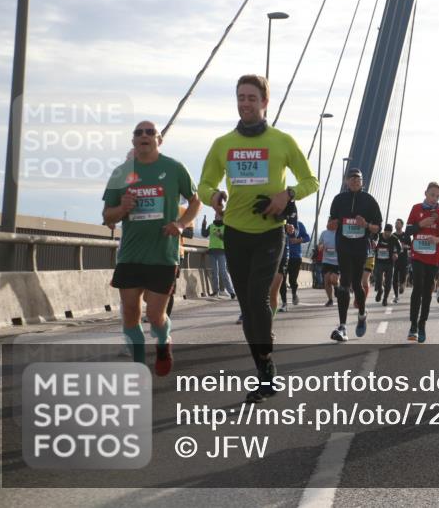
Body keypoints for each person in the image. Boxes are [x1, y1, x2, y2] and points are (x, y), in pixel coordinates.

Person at [198, 74, 319, 403]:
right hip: (235, 234)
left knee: (259, 298)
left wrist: (287, 195)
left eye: (252, 97)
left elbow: (311, 181)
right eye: (241, 97)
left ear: (265, 102)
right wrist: (213, 196)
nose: (245, 103)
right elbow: (204, 184)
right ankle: (263, 366)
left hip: (269, 232)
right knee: (247, 306)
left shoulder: (282, 141)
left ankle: (266, 369)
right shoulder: (223, 144)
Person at [102, 120, 200, 377]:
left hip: (163, 255)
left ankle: (163, 342)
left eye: (150, 132)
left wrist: (180, 224)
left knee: (155, 315)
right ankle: (137, 364)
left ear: (159, 139)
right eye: (138, 132)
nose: (144, 135)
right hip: (131, 255)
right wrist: (122, 209)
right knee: (130, 313)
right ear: (133, 141)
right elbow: (108, 217)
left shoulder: (174, 168)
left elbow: (195, 201)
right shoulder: (121, 173)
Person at [327, 167, 382, 342]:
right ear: (346, 181)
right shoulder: (339, 199)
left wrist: (365, 225)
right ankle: (342, 326)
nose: (354, 181)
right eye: (351, 178)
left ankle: (362, 314)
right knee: (344, 283)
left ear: (362, 182)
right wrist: (332, 224)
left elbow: (378, 228)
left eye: (358, 178)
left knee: (357, 284)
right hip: (343, 245)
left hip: (360, 246)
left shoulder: (369, 201)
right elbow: (330, 222)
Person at [405, 182, 439, 343]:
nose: (434, 198)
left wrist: (438, 239)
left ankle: (422, 324)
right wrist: (420, 225)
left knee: (427, 291)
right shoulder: (416, 209)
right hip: (418, 256)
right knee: (417, 287)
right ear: (425, 193)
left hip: (433, 258)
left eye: (437, 196)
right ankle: (412, 326)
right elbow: (408, 233)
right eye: (432, 195)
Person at [201, 214, 235, 299]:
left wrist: (219, 235)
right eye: (215, 215)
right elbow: (204, 234)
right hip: (212, 252)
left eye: (218, 215)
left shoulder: (226, 227)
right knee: (214, 272)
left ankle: (231, 292)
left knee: (223, 272)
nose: (215, 216)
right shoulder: (211, 226)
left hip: (222, 252)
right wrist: (203, 225)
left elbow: (228, 239)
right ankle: (216, 291)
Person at [282, 212, 310, 306]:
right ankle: (284, 302)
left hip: (295, 257)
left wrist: (298, 240)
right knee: (282, 279)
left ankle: (294, 294)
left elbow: (307, 237)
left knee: (292, 280)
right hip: (283, 256)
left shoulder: (300, 225)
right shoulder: (282, 225)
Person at [374, 223, 401, 304]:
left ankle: (385, 298)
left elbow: (399, 248)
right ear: (384, 231)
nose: (388, 234)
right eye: (386, 232)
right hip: (379, 262)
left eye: (389, 232)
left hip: (389, 263)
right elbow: (373, 243)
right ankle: (380, 290)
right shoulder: (379, 236)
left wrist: (396, 253)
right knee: (378, 280)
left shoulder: (394, 238)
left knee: (388, 281)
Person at [318, 219, 340, 306]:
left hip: (337, 261)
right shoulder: (324, 233)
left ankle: (337, 287)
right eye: (327, 222)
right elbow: (319, 244)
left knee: (333, 280)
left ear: (335, 224)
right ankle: (330, 299)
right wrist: (321, 246)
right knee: (326, 281)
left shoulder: (339, 234)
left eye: (330, 222)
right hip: (326, 260)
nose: (328, 224)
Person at [392, 218, 410, 297]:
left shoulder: (406, 235)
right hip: (394, 259)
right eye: (396, 223)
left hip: (403, 259)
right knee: (394, 278)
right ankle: (396, 295)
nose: (396, 224)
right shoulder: (393, 235)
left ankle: (402, 285)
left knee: (403, 275)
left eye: (398, 223)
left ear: (402, 225)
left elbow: (410, 246)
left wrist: (405, 246)